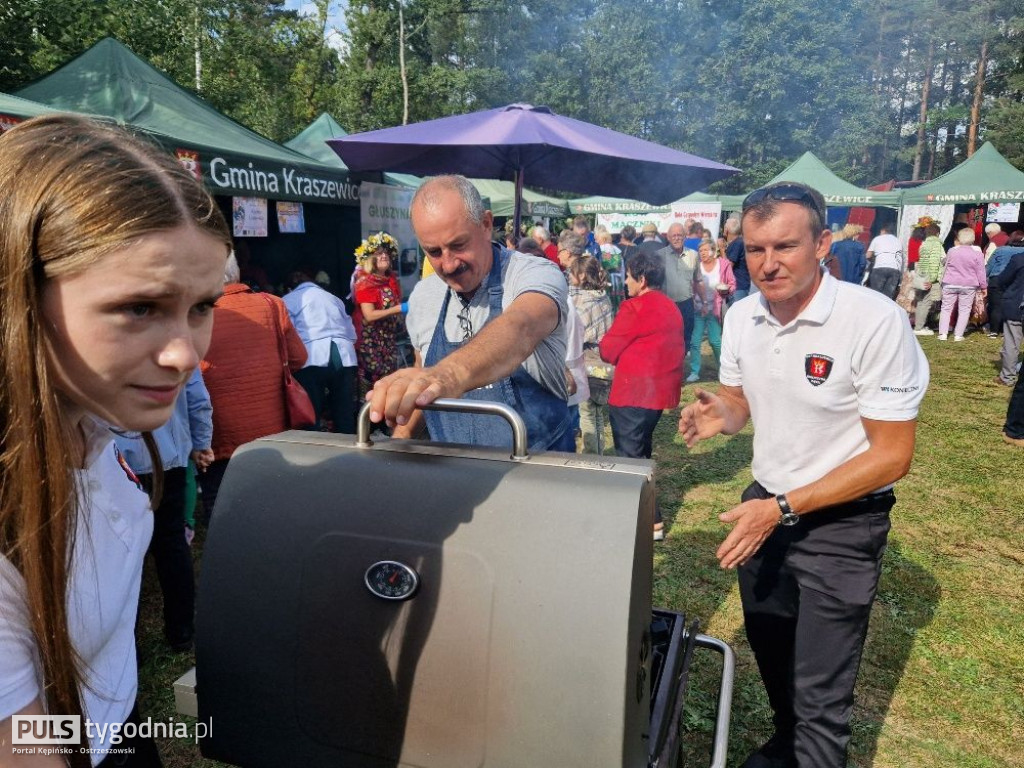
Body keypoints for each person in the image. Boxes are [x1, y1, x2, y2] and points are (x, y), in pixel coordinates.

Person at [0, 114, 231, 767]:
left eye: (202, 306)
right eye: (140, 307)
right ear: (18, 295)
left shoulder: (98, 425)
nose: (186, 354)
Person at [678, 182, 928, 768]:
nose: (768, 264)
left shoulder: (873, 320)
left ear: (821, 243)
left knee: (822, 697)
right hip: (764, 507)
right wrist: (726, 414)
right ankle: (787, 744)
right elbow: (741, 400)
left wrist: (785, 507)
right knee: (774, 658)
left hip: (842, 523)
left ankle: (810, 750)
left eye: (785, 247)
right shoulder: (742, 316)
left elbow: (892, 456)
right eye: (756, 248)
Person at [368, 175, 573, 452]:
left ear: (486, 224)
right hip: (456, 479)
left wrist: (447, 377)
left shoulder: (534, 274)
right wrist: (397, 444)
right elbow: (424, 380)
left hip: (539, 475)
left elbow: (520, 327)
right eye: (434, 252)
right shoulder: (423, 297)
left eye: (458, 245)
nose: (449, 264)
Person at [113, 369, 213, 654]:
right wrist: (201, 442)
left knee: (122, 551)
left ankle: (127, 645)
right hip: (168, 456)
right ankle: (181, 632)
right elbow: (197, 398)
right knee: (171, 544)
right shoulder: (173, 344)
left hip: (118, 458)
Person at [200, 254, 307, 513]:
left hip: (220, 433)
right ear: (236, 273)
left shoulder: (199, 315)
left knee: (221, 501)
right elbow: (299, 358)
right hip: (272, 428)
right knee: (271, 499)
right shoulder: (272, 304)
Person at [600, 251, 684, 541]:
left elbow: (608, 350)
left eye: (628, 276)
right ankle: (645, 518)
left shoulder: (634, 307)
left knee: (630, 460)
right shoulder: (671, 306)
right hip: (658, 396)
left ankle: (651, 522)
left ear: (642, 279)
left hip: (633, 393)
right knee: (640, 452)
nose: (625, 281)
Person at [285, 266, 360, 433]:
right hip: (344, 356)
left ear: (291, 287)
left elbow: (287, 334)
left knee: (311, 414)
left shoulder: (288, 299)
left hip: (312, 358)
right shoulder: (333, 298)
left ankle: (314, 455)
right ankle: (349, 454)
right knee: (344, 413)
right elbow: (352, 333)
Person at [567, 254, 615, 454]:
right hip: (603, 360)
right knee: (597, 412)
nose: (569, 276)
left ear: (582, 275)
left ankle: (592, 457)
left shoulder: (580, 302)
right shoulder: (603, 296)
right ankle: (599, 453)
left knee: (586, 412)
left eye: (572, 272)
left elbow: (578, 333)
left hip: (586, 360)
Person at [687, 241, 736, 383]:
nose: (702, 253)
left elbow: (732, 284)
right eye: (700, 250)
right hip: (698, 308)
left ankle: (723, 369)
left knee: (715, 341)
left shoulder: (723, 264)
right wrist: (696, 300)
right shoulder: (697, 266)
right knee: (695, 341)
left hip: (715, 308)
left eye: (705, 250)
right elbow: (692, 285)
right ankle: (695, 371)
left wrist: (726, 290)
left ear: (713, 251)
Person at [938, 227, 987, 341]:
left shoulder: (951, 251)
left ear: (959, 238)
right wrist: (984, 286)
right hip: (969, 285)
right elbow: (981, 271)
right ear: (973, 239)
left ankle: (943, 334)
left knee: (946, 308)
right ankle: (958, 335)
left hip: (950, 283)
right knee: (964, 309)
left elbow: (945, 264)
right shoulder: (978, 254)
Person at [657, 222, 698, 360]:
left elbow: (698, 280)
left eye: (679, 235)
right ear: (668, 237)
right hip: (667, 304)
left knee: (686, 336)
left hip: (686, 303)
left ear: (685, 236)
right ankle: (668, 363)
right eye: (673, 235)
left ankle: (680, 362)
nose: (676, 238)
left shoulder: (693, 255)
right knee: (667, 337)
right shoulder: (659, 256)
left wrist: (702, 302)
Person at [994, 245, 1024, 388]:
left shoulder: (1019, 259)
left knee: (1011, 344)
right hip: (1016, 305)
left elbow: (1002, 280)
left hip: (1016, 306)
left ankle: (1008, 377)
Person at [986, 231, 1024, 338]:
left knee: (995, 306)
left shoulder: (1000, 249)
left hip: (996, 279)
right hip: (1016, 280)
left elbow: (990, 266)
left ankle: (994, 331)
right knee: (1013, 305)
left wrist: (985, 280)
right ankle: (1005, 330)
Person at [913, 222, 945, 335]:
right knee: (926, 303)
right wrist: (931, 280)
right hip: (929, 279)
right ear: (937, 233)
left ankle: (919, 326)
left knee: (921, 302)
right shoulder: (937, 245)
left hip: (922, 277)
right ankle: (919, 328)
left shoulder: (924, 244)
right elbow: (935, 262)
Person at [865, 223, 905, 299]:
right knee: (888, 297)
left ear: (883, 231)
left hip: (880, 268)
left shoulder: (878, 239)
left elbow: (868, 255)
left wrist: (873, 260)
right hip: (895, 270)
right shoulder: (898, 241)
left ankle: (876, 310)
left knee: (876, 294)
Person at [724, 215, 752, 303]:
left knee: (737, 314)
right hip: (738, 286)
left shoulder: (737, 243)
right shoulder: (738, 242)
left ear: (726, 230)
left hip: (738, 287)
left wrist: (721, 249)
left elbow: (728, 266)